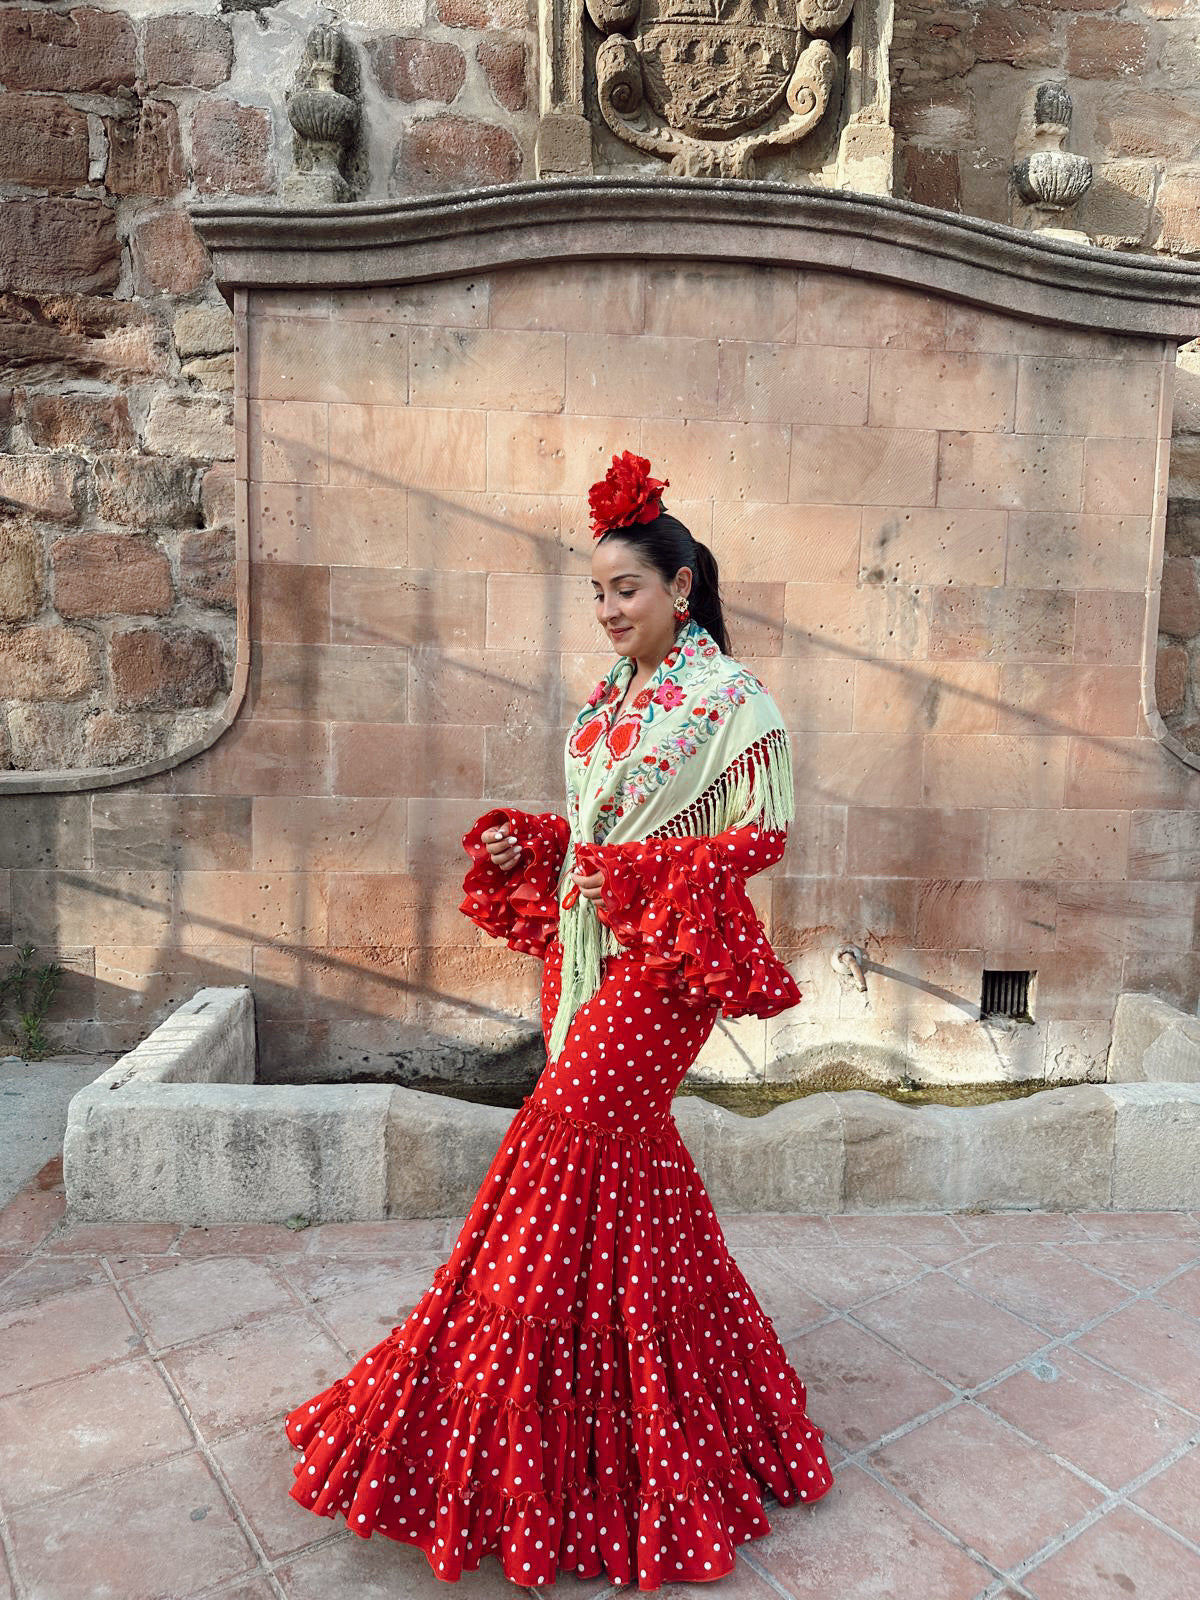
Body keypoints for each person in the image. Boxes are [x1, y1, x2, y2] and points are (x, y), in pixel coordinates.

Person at [282, 450, 834, 1590]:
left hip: (662, 965)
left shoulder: (731, 701)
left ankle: (507, 1409)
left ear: (680, 588)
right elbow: (593, 828)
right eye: (596, 592)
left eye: (625, 588)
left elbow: (762, 836)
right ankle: (668, 1408)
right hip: (583, 960)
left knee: (563, 1147)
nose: (608, 609)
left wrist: (637, 871)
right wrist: (532, 844)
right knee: (618, 1174)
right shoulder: (608, 699)